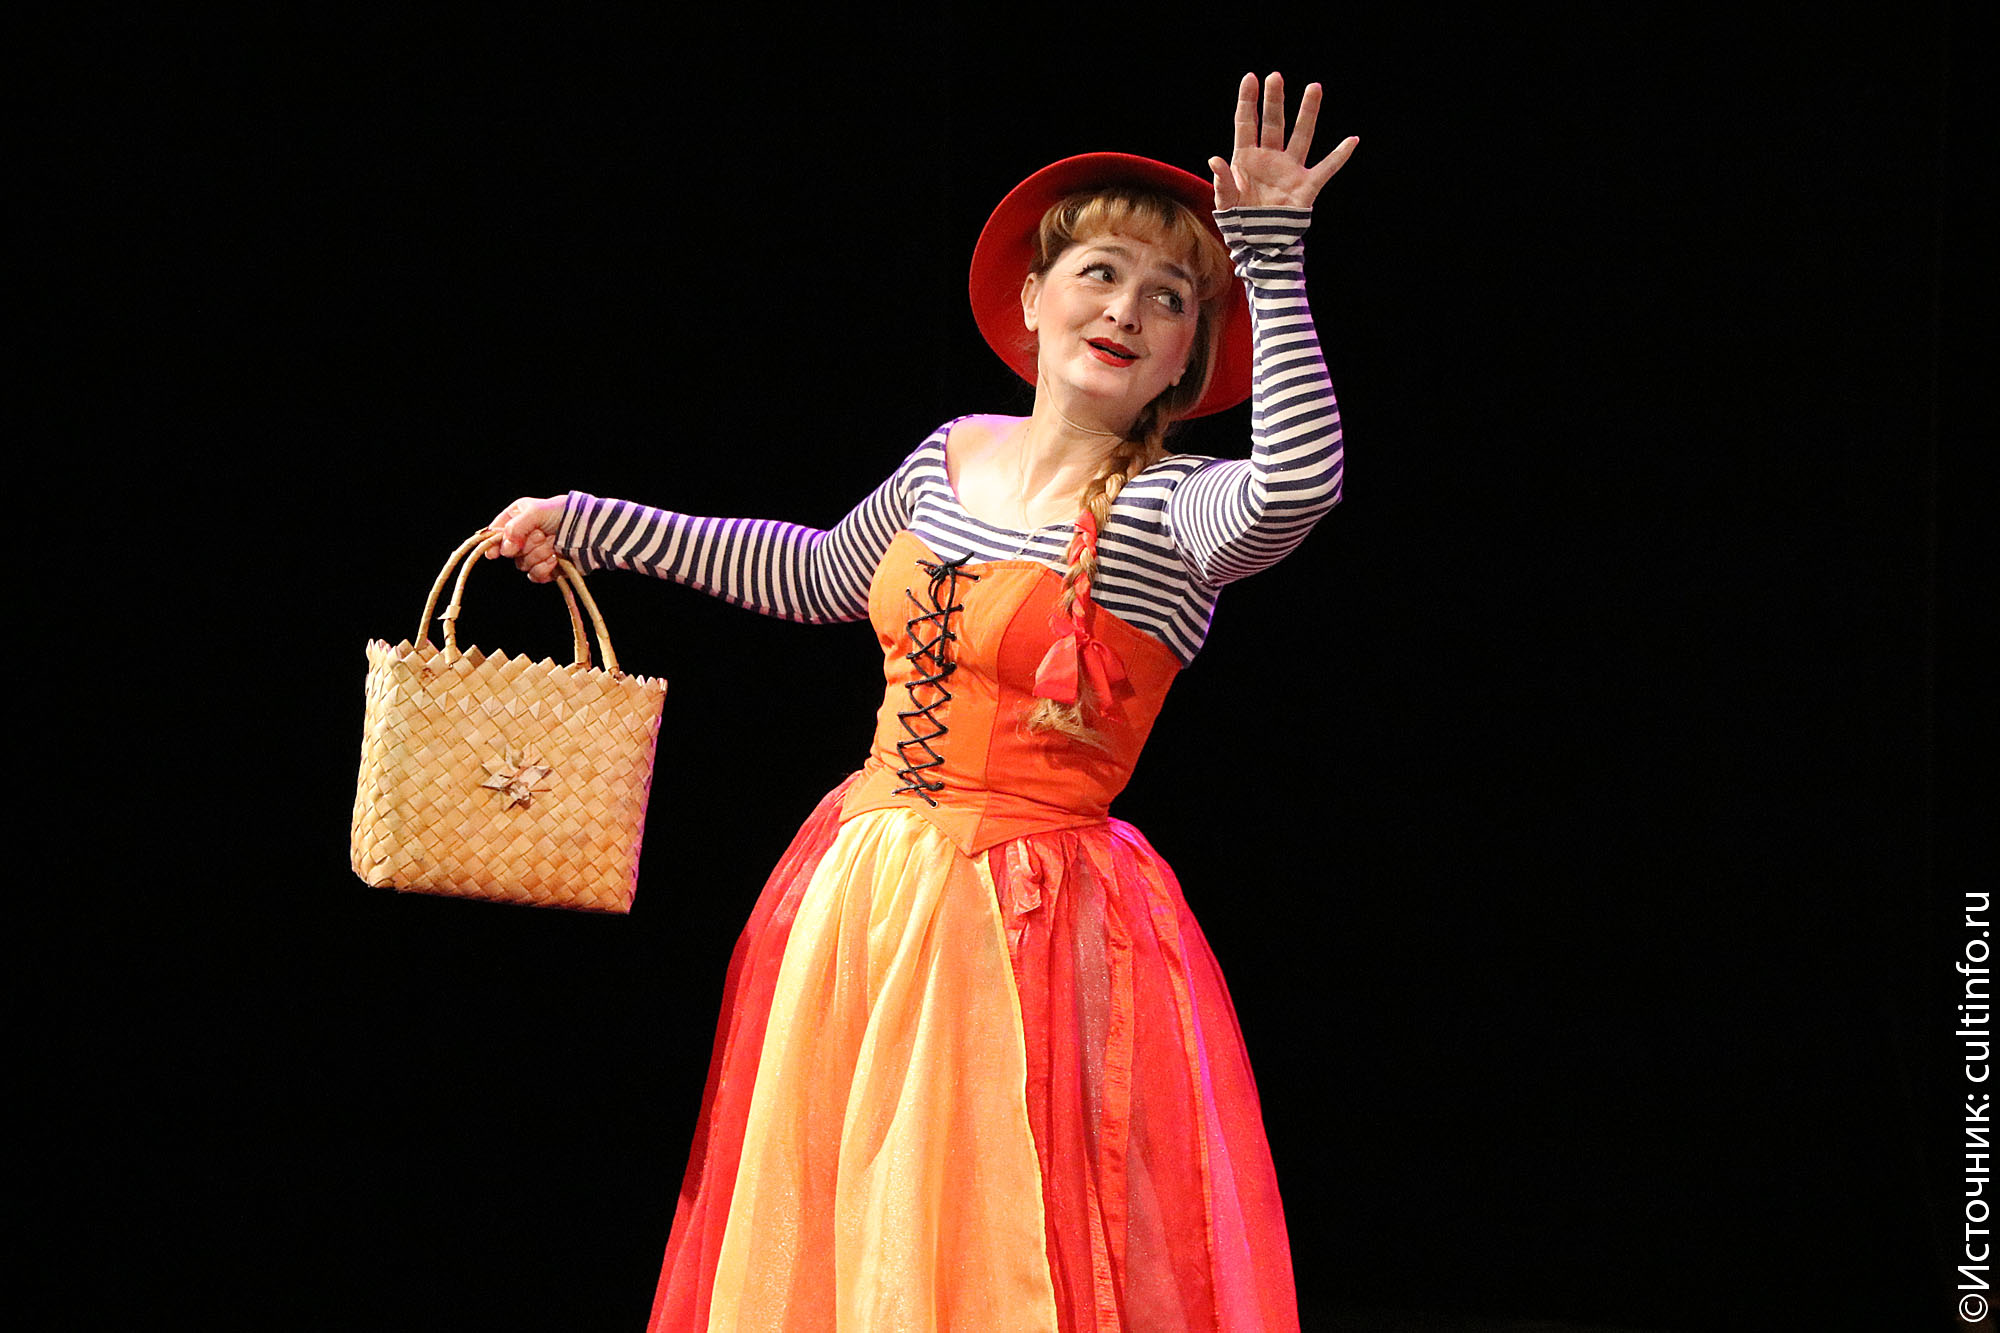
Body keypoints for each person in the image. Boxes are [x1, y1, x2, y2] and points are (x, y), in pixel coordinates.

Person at [489, 71, 1355, 1333]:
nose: (1127, 308)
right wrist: (590, 524)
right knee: (843, 1229)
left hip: (1033, 920)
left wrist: (1267, 255)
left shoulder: (1174, 512)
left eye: (1170, 297)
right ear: (1033, 300)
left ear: (1188, 357)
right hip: (860, 888)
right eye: (1100, 273)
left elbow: (1297, 488)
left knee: (994, 1241)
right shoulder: (948, 454)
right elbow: (810, 574)